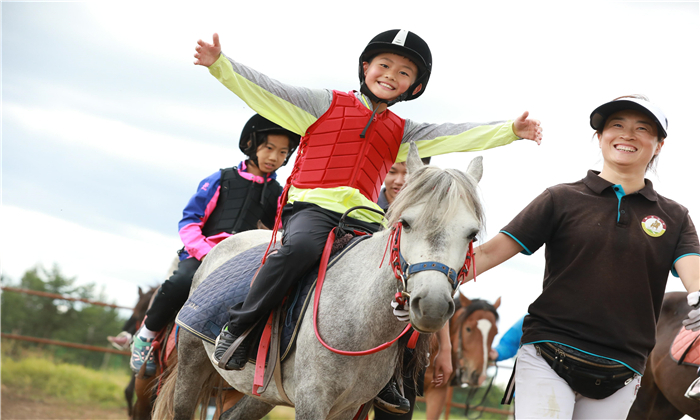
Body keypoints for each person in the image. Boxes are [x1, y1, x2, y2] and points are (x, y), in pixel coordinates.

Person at [193, 29, 543, 377]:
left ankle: (396, 372)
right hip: (312, 210)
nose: (391, 75)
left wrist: (509, 131)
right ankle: (240, 328)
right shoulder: (322, 104)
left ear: (413, 87)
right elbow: (268, 91)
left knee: (409, 273)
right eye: (384, 65)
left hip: (365, 220)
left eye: (404, 73)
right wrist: (219, 64)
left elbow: (454, 134)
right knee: (300, 248)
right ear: (365, 67)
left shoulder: (403, 131)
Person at [465, 95, 700, 419]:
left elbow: (695, 276)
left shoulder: (674, 217)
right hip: (547, 355)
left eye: (642, 128)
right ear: (600, 137)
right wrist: (419, 282)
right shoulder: (560, 198)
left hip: (623, 370)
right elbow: (489, 252)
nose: (627, 135)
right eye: (616, 125)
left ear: (658, 145)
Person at [129, 114, 300, 375]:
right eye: (269, 148)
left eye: (282, 152)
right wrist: (206, 252)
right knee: (179, 282)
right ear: (251, 145)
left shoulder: (279, 194)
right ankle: (146, 334)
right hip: (204, 254)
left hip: (243, 263)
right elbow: (189, 221)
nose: (274, 157)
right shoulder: (221, 179)